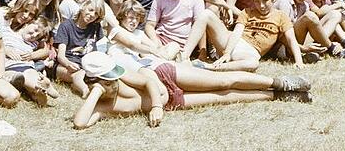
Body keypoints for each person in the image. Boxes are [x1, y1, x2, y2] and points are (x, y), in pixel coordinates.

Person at [73, 51, 311, 129]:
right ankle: (278, 95)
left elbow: (146, 80)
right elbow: (80, 123)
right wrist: (96, 92)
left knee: (221, 82)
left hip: (165, 77)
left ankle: (277, 82)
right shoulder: (102, 104)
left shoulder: (122, 76)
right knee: (224, 98)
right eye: (108, 81)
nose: (113, 83)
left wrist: (155, 106)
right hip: (171, 103)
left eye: (112, 79)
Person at [180, 0, 304, 71]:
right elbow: (237, 32)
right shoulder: (247, 12)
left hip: (251, 52)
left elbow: (291, 39)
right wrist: (227, 52)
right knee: (207, 14)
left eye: (265, 1)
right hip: (233, 42)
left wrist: (299, 61)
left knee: (253, 64)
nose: (261, 6)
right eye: (257, 1)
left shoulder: (281, 16)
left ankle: (212, 67)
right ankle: (184, 57)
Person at [54, 0, 106, 98]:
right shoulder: (66, 26)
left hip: (87, 64)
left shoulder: (95, 26)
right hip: (65, 64)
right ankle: (85, 90)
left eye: (96, 14)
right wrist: (68, 64)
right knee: (79, 74)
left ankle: (78, 85)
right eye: (90, 10)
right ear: (83, 6)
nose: (92, 15)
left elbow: (101, 48)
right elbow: (60, 56)